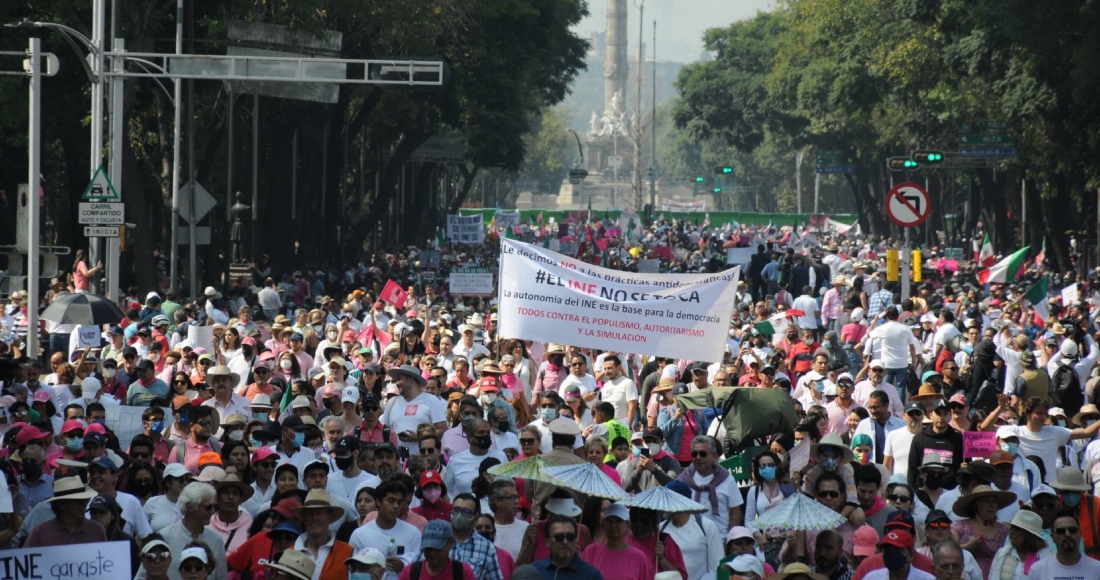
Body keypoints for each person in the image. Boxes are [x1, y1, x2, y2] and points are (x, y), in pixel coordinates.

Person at [137, 482, 228, 580]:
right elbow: (142, 575)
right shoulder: (164, 537)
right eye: (208, 507)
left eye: (215, 507)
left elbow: (221, 577)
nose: (213, 511)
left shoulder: (216, 540)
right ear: (190, 507)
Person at [350, 480, 422, 579]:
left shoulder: (413, 533)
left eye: (399, 502)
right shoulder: (360, 535)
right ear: (378, 502)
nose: (396, 506)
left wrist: (403, 564)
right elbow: (352, 571)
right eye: (391, 501)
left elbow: (422, 566)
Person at [676, 435, 743, 532]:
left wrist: (730, 539)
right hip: (691, 540)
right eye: (694, 454)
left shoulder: (727, 479)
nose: (698, 457)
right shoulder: (684, 479)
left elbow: (735, 511)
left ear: (714, 456)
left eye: (703, 454)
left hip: (721, 539)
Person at [950, 485, 1013, 578]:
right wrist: (967, 547)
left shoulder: (1004, 530)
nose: (991, 505)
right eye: (986, 501)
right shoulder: (959, 526)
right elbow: (949, 550)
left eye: (994, 501)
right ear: (975, 504)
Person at [291, 488, 354, 580]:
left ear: (330, 517)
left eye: (319, 513)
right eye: (309, 513)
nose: (314, 518)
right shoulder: (290, 553)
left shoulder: (348, 552)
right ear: (303, 518)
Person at [25, 476, 105, 547]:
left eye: (86, 500)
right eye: (80, 502)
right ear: (62, 505)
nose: (85, 505)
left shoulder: (97, 530)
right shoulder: (40, 532)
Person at [579, 503, 651, 580]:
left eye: (619, 521)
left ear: (628, 524)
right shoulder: (591, 551)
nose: (614, 525)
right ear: (603, 524)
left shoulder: (639, 557)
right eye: (609, 521)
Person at [1023, 511, 1100, 577]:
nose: (1067, 534)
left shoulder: (1097, 569)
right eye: (1061, 531)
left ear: (1080, 534)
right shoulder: (1038, 570)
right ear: (1052, 537)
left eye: (1072, 530)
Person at [398, 519, 477, 580]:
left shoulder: (463, 573)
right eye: (428, 548)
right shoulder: (410, 572)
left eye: (437, 548)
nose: (432, 553)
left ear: (450, 543)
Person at [529, 514, 603, 579]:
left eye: (570, 537)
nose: (565, 542)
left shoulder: (591, 575)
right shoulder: (534, 571)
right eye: (559, 537)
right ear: (547, 542)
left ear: (576, 541)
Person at [988, 510, 1047, 580]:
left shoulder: (1044, 558)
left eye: (1017, 529)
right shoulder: (1002, 554)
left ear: (1029, 535)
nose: (1012, 532)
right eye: (1012, 528)